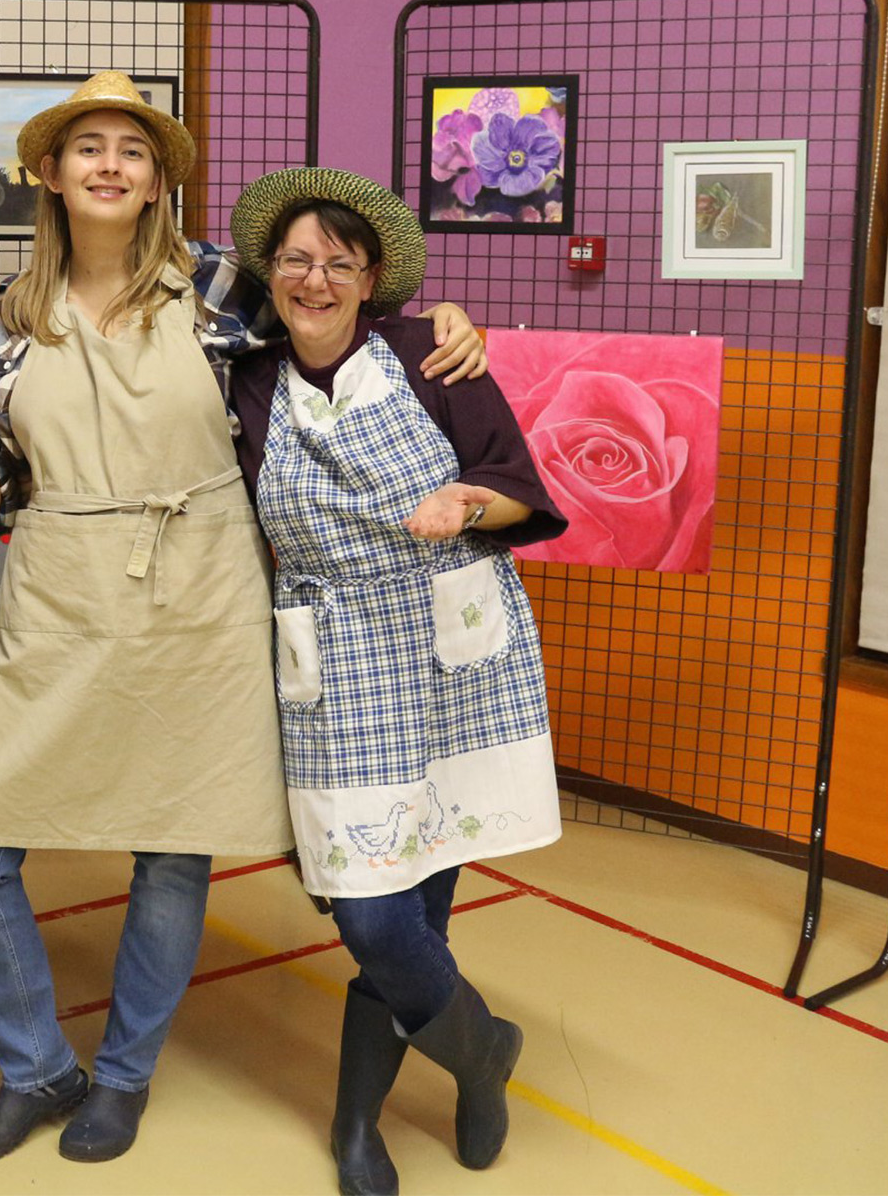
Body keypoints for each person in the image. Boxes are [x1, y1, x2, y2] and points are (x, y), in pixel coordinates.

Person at [0, 72, 486, 1167]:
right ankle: (35, 1067)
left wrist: (443, 318)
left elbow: (341, 329)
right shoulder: (3, 321)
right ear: (50, 173)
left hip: (203, 590)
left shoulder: (219, 290)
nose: (109, 165)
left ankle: (121, 1079)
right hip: (59, 593)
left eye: (133, 150)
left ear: (159, 180)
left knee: (173, 848)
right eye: (88, 148)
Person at [224, 167, 566, 1196]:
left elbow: (520, 491)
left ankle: (357, 1129)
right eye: (296, 260)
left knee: (418, 910)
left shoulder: (431, 355)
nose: (316, 279)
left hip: (452, 650)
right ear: (270, 275)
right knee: (369, 913)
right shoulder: (245, 380)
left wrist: (467, 504)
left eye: (339, 262)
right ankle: (483, 1051)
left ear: (372, 278)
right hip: (335, 666)